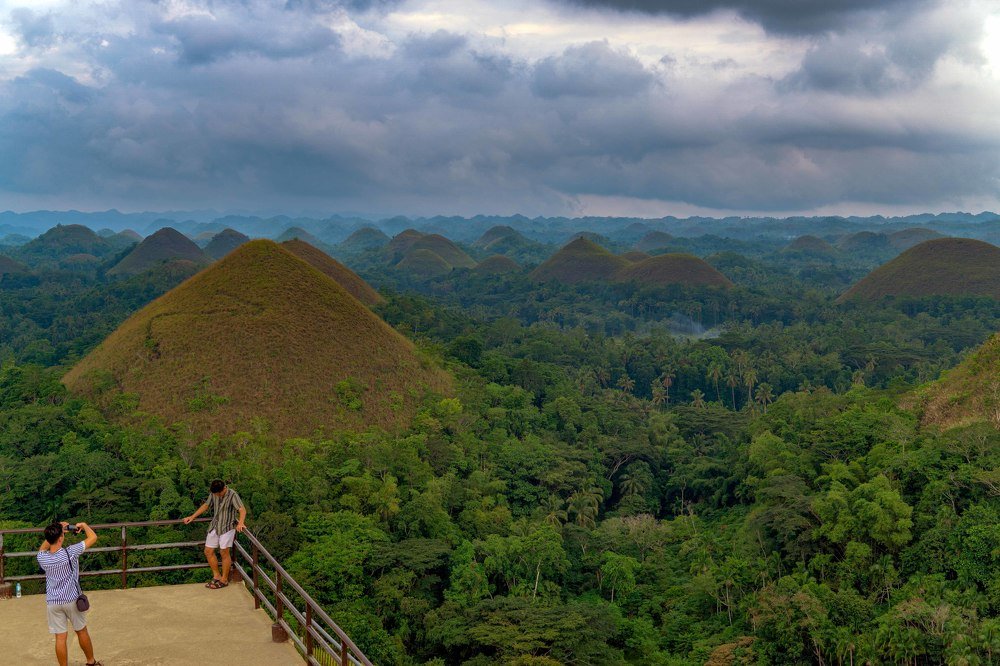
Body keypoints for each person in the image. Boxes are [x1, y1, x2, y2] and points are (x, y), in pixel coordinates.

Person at [37, 521, 101, 666]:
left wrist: (57, 530)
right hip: (71, 600)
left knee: (60, 638)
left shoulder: (42, 558)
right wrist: (84, 526)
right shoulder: (70, 552)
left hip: (53, 602)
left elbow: (43, 547)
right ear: (61, 538)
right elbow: (93, 538)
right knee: (81, 631)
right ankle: (91, 662)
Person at [183, 479, 247, 589]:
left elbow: (242, 510)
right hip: (215, 525)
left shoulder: (232, 495)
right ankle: (216, 576)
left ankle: (224, 579)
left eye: (218, 493)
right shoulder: (214, 494)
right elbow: (206, 505)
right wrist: (192, 517)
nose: (216, 496)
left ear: (223, 489)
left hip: (227, 527)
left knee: (224, 552)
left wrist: (240, 523)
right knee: (208, 551)